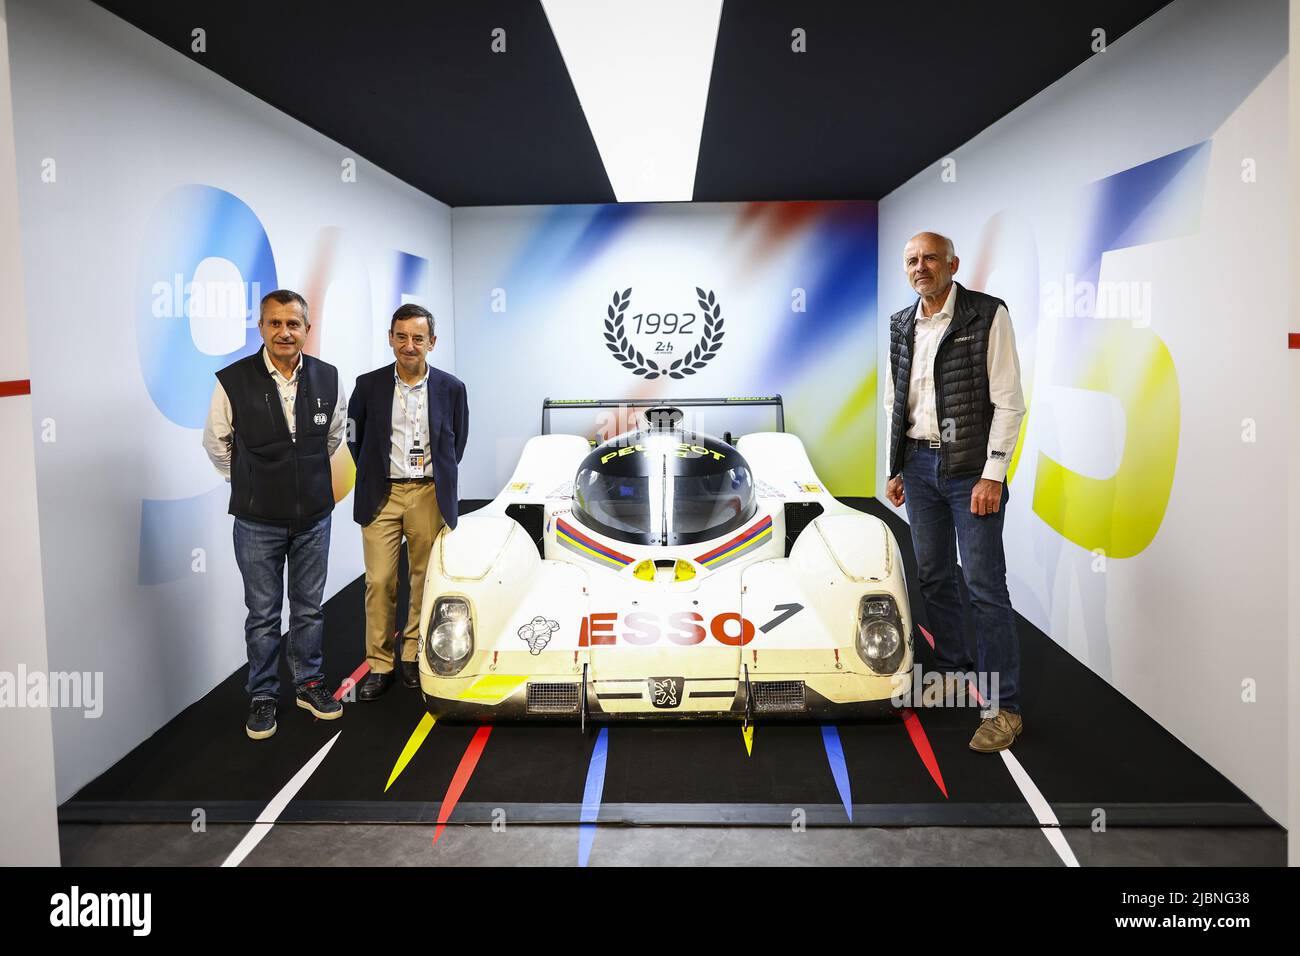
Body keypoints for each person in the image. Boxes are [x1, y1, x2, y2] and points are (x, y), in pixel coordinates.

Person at [882, 232, 1026, 752]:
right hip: (919, 467)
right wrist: (897, 466)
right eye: (912, 261)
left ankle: (1004, 707)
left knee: (985, 586)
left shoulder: (986, 315)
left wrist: (993, 474)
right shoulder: (901, 323)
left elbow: (1009, 402)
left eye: (930, 259)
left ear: (952, 264)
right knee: (934, 575)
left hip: (970, 470)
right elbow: (897, 402)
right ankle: (950, 668)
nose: (921, 267)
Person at [203, 289, 347, 739]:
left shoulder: (327, 376)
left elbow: (333, 436)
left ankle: (308, 685)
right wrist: (249, 481)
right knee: (263, 614)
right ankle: (263, 695)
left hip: (313, 519)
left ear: (307, 328)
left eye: (293, 324)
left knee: (308, 610)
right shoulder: (233, 380)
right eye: (275, 323)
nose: (284, 332)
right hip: (256, 521)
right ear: (261, 327)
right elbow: (217, 442)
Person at [347, 304, 469, 699]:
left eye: (418, 338)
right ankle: (380, 664)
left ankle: (413, 656)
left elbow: (457, 441)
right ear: (390, 338)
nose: (409, 346)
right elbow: (355, 438)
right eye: (402, 336)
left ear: (432, 342)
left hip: (427, 493)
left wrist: (433, 479)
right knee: (380, 581)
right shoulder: (367, 386)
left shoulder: (451, 388)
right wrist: (376, 472)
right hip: (382, 493)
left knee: (423, 579)